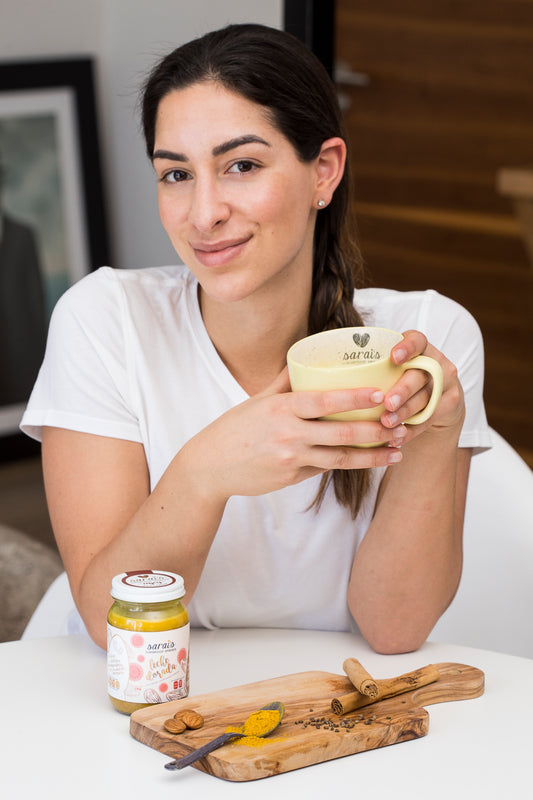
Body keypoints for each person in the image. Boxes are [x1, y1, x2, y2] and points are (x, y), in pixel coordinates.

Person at [21, 23, 491, 653]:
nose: (204, 213)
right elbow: (112, 625)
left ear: (324, 172)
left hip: (313, 710)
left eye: (241, 165)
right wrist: (205, 473)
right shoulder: (106, 321)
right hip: (122, 693)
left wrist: (434, 434)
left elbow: (395, 628)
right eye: (176, 175)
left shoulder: (430, 339)